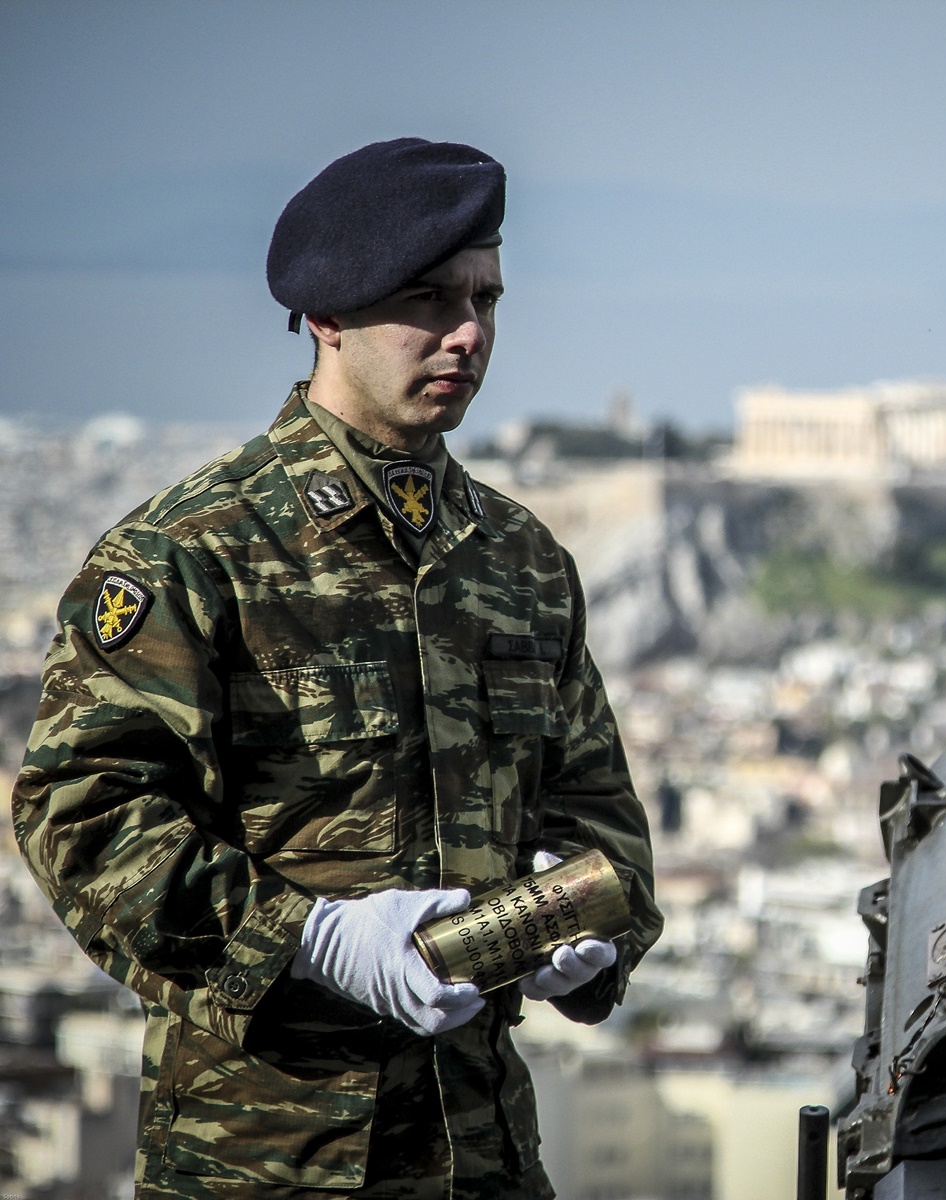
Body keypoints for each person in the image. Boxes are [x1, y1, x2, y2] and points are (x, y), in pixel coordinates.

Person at [11, 138, 662, 1198]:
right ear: (328, 316)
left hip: (484, 1155)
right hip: (264, 1161)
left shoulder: (520, 560)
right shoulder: (194, 551)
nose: (466, 333)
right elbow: (82, 818)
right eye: (426, 299)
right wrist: (310, 939)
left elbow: (599, 813)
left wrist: (586, 918)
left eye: (485, 299)